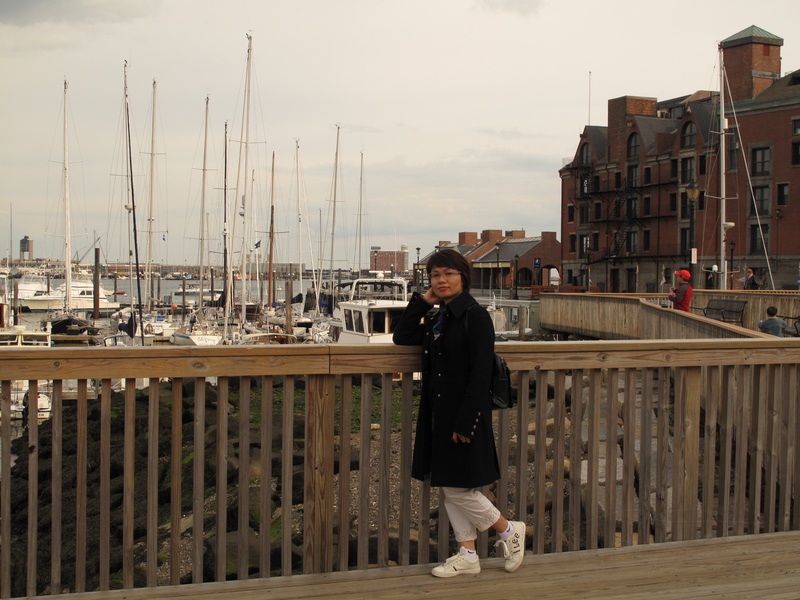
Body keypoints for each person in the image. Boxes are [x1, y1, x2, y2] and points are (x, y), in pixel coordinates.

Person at [392, 248, 525, 578]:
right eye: (435, 275)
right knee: (452, 483)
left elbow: (480, 375)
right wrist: (423, 302)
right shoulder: (438, 318)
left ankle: (509, 531)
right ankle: (468, 554)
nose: (441, 280)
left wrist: (466, 422)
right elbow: (401, 336)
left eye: (448, 273)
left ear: (463, 277)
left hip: (464, 417)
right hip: (438, 415)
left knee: (456, 488)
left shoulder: (475, 317)